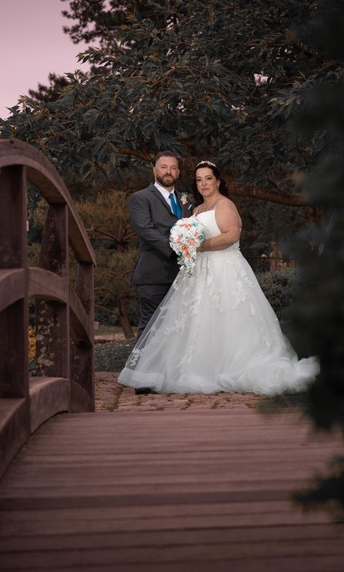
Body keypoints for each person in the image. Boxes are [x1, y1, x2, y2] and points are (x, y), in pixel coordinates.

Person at [117, 160, 318, 395]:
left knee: (228, 318)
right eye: (199, 179)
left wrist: (199, 246)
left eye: (208, 178)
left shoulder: (225, 204)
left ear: (218, 181)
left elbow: (231, 235)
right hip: (198, 271)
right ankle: (200, 368)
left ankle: (233, 368)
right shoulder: (196, 209)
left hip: (225, 269)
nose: (203, 183)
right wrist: (187, 244)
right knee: (198, 320)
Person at [128, 151, 192, 339]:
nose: (168, 171)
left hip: (183, 277)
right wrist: (176, 252)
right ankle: (143, 369)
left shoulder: (186, 200)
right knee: (151, 328)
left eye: (173, 168)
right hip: (154, 275)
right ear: (155, 170)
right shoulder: (141, 198)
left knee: (178, 330)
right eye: (164, 167)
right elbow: (146, 231)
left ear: (178, 173)